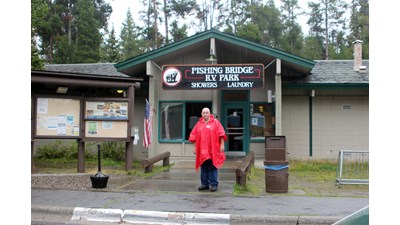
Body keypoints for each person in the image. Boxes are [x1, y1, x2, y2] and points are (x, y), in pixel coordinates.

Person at [189, 107, 226, 192]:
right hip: (202, 150)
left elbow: (221, 134)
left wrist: (222, 145)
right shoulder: (198, 124)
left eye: (207, 112)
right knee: (203, 167)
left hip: (213, 149)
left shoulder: (216, 123)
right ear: (201, 114)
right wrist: (195, 147)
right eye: (204, 113)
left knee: (213, 166)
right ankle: (205, 184)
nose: (205, 114)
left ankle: (214, 184)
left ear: (210, 114)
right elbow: (193, 136)